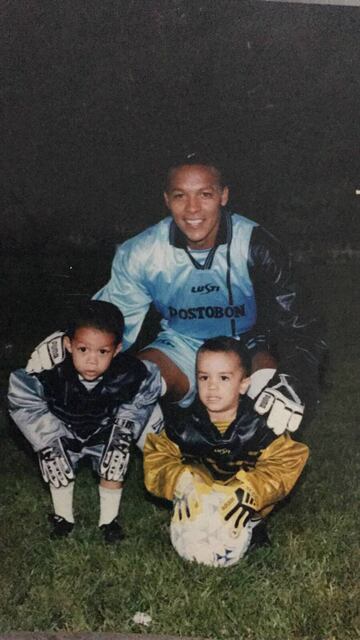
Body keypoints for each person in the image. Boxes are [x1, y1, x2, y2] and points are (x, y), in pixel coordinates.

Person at [26, 151, 326, 435]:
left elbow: (299, 325)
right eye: (181, 196)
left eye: (205, 195)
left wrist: (294, 380)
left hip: (246, 344)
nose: (192, 209)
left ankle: (258, 467)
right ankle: (161, 454)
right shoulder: (143, 252)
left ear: (223, 196)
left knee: (274, 395)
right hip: (181, 343)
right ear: (167, 200)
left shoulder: (257, 245)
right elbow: (111, 318)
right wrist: (68, 336)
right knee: (132, 381)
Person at [8, 301, 162, 542]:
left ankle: (109, 521)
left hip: (103, 430)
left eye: (102, 352)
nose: (92, 360)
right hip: (64, 431)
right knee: (57, 464)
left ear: (117, 349)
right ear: (68, 345)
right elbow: (21, 394)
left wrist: (123, 429)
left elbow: (149, 385)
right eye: (83, 350)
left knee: (115, 462)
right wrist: (47, 438)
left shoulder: (130, 372)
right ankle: (63, 518)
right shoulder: (50, 370)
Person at [143, 336, 309, 558]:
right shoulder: (182, 424)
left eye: (223, 378)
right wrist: (180, 481)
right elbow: (157, 458)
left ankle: (254, 525)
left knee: (261, 482)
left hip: (245, 502)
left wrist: (251, 491)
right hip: (199, 498)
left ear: (243, 384)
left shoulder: (261, 424)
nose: (212, 386)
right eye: (204, 377)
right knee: (189, 480)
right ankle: (194, 526)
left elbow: (288, 461)